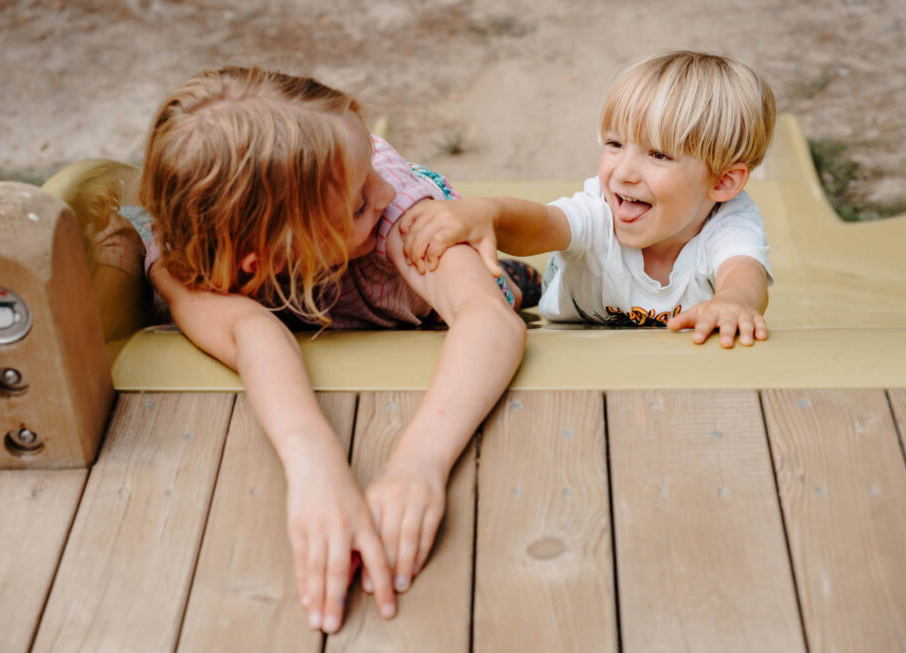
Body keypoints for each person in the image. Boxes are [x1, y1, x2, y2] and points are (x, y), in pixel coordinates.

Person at [136, 67, 525, 633]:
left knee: (519, 285)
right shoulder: (188, 260)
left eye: (373, 163)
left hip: (433, 303)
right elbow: (252, 332)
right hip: (324, 302)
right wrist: (314, 467)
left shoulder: (399, 209)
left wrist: (418, 464)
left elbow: (487, 318)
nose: (383, 191)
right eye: (360, 202)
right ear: (263, 259)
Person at [399, 50, 776, 347]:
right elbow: (546, 225)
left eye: (659, 155)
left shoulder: (730, 224)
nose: (624, 172)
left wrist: (735, 302)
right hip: (566, 309)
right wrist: (489, 213)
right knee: (501, 296)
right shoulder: (601, 207)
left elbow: (744, 275)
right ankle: (518, 280)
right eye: (615, 144)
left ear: (724, 182)